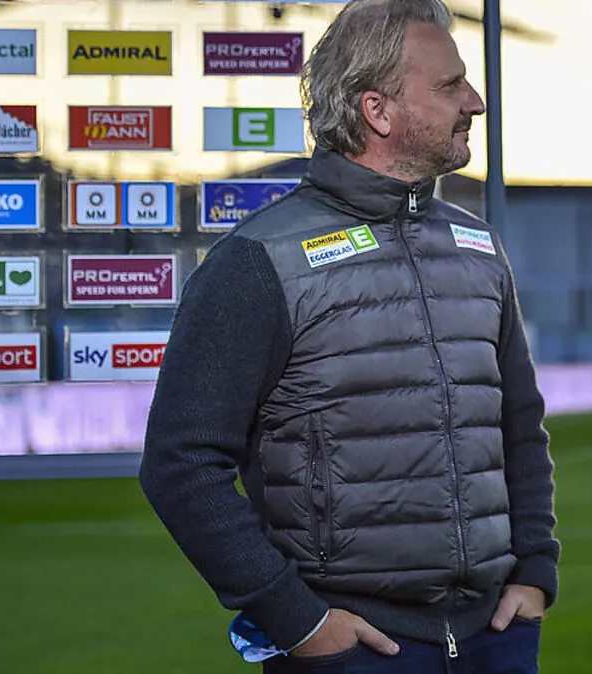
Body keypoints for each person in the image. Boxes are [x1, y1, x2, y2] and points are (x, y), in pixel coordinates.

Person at [138, 1, 560, 672]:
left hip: (494, 638)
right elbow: (180, 462)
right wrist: (295, 619)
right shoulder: (259, 261)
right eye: (450, 86)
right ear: (377, 111)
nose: (474, 103)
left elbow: (519, 426)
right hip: (351, 650)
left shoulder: (477, 246)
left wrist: (534, 570)